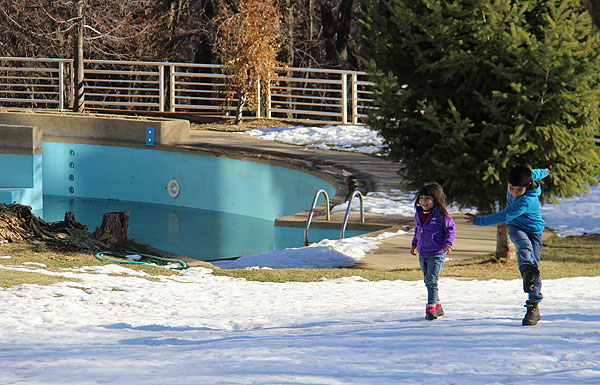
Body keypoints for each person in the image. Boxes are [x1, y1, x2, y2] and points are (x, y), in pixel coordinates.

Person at [465, 165, 550, 326]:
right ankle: (526, 270)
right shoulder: (527, 176)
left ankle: (533, 305)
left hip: (534, 231)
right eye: (511, 188)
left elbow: (503, 215)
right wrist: (545, 172)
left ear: (528, 185)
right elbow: (536, 173)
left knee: (534, 269)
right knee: (524, 247)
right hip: (515, 227)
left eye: (518, 190)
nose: (513, 193)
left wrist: (479, 221)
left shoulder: (526, 201)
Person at [411, 183, 456, 320]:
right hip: (423, 252)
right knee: (427, 279)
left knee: (431, 279)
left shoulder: (442, 215)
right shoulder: (418, 214)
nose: (424, 201)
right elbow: (417, 230)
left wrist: (448, 244)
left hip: (437, 252)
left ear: (436, 199)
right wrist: (414, 244)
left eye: (427, 198)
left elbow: (451, 230)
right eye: (421, 198)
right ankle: (438, 305)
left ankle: (431, 307)